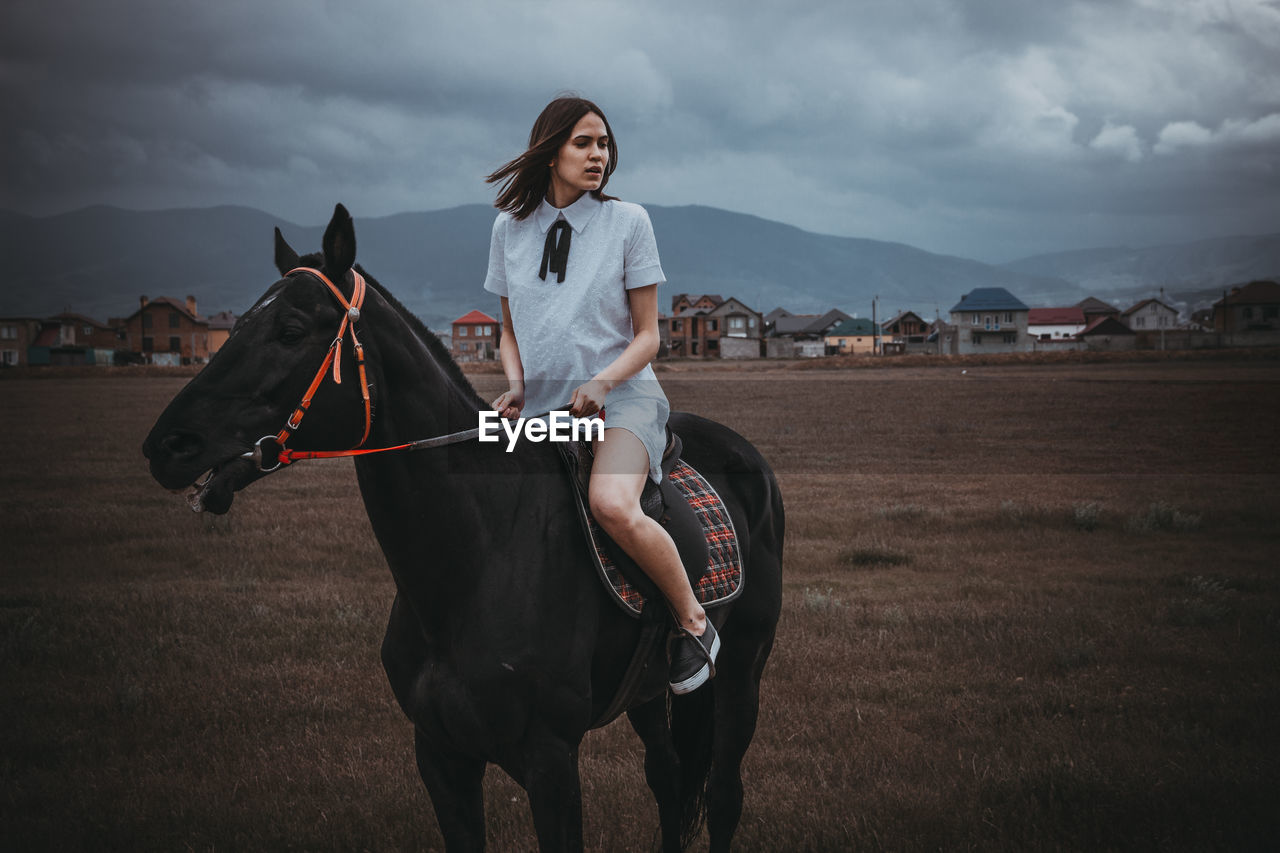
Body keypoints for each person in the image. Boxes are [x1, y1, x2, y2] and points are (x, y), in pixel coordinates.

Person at [482, 95, 718, 694]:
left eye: (604, 144)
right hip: (544, 408)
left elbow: (648, 337)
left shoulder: (629, 222)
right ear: (550, 149)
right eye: (583, 143)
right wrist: (515, 388)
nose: (598, 155)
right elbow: (509, 330)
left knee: (612, 504)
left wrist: (602, 383)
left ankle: (693, 625)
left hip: (625, 401)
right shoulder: (507, 229)